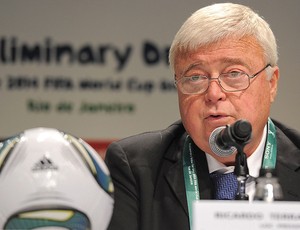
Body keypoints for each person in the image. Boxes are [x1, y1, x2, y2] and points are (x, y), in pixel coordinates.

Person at [105, 3, 300, 230]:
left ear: (271, 84)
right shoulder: (136, 168)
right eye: (195, 77)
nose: (214, 94)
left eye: (234, 74)